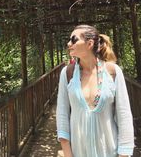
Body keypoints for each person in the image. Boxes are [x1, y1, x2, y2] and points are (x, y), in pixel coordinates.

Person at [56, 25, 134, 157]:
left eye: (74, 39)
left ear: (89, 44)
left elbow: (124, 115)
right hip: (78, 152)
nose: (69, 43)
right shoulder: (67, 73)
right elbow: (62, 115)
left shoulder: (113, 71)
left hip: (110, 151)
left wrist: (124, 154)